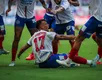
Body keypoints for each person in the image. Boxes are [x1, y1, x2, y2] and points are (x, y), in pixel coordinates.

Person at [56, 0, 102, 67]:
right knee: (99, 40)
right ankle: (97, 59)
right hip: (99, 19)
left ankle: (68, 61)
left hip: (95, 19)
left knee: (79, 39)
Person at [6, 0, 47, 66]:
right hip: (20, 17)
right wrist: (9, 8)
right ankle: (12, 61)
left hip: (31, 18)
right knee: (17, 37)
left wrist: (46, 8)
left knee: (36, 38)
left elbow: (42, 1)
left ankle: (38, 59)